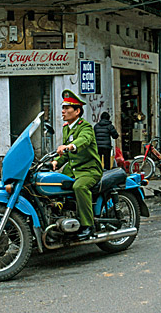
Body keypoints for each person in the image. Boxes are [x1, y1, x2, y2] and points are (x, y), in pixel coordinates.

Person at [51, 89, 102, 240]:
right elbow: (66, 155)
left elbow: (83, 141)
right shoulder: (67, 128)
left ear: (77, 111)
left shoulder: (85, 127)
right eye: (63, 108)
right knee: (54, 183)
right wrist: (55, 162)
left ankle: (88, 225)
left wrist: (70, 146)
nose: (63, 111)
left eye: (67, 108)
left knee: (79, 187)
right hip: (72, 170)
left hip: (89, 170)